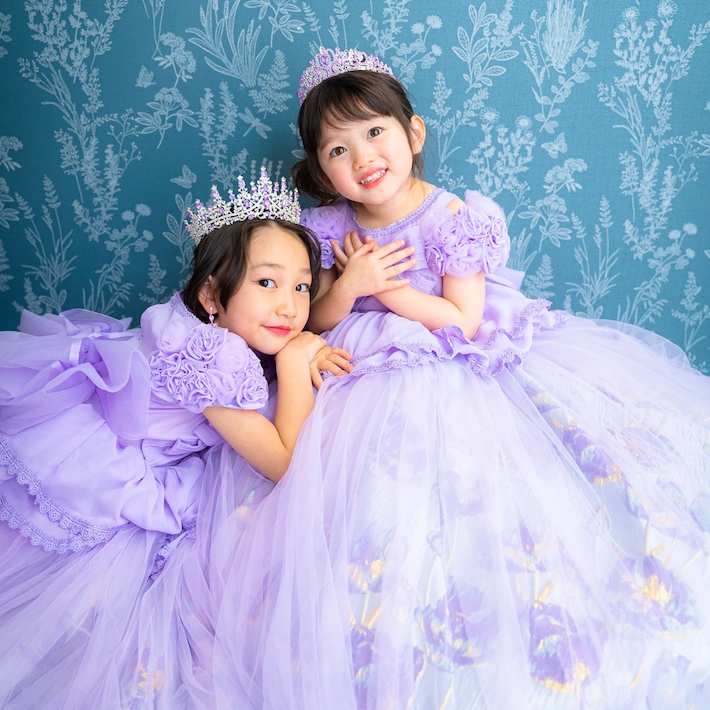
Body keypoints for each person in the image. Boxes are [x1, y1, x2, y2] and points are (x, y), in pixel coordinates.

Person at [212, 49, 710, 709]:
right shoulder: (327, 229)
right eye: (337, 149)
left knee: (475, 484)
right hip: (359, 367)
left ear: (413, 133)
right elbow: (319, 317)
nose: (362, 157)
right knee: (365, 495)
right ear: (321, 169)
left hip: (452, 359)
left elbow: (463, 320)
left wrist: (386, 291)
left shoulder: (451, 218)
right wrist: (350, 286)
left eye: (374, 132)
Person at [0, 168, 351, 709]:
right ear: (212, 292)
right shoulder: (212, 356)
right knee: (75, 637)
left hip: (119, 444)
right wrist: (295, 358)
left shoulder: (194, 326)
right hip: (113, 477)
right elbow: (286, 463)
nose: (289, 306)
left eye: (302, 286)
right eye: (266, 282)